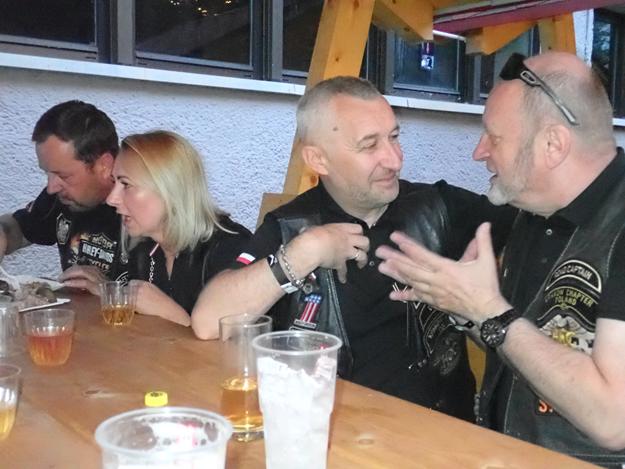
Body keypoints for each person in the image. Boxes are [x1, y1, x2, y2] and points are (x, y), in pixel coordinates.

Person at [191, 76, 515, 421]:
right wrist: (307, 251)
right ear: (318, 160)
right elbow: (209, 322)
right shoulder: (291, 226)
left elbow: (534, 222)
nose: (394, 160)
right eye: (369, 145)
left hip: (443, 434)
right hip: (330, 432)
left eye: (394, 137)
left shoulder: (439, 208)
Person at [376, 51, 625, 467]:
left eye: (494, 137)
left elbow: (614, 420)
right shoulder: (534, 211)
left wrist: (488, 311)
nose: (479, 152)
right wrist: (463, 307)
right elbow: (521, 342)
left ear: (553, 145)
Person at [106, 130, 251, 326]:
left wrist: (172, 314)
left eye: (126, 184)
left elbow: (238, 339)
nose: (111, 199)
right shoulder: (143, 249)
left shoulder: (230, 249)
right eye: (114, 182)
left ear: (170, 189)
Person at [0, 100, 126, 293]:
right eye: (47, 173)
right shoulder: (62, 196)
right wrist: (3, 233)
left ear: (104, 166)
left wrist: (111, 291)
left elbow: (167, 301)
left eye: (63, 176)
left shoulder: (143, 209)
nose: (51, 188)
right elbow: (21, 228)